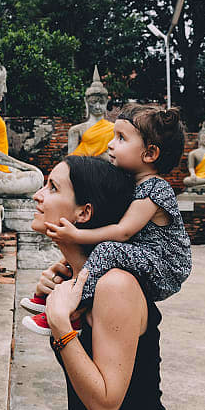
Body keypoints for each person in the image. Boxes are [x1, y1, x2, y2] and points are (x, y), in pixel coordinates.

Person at [28, 156, 195, 410]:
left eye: (53, 188)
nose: (39, 196)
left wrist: (60, 325)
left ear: (84, 213)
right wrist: (66, 312)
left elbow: (104, 404)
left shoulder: (116, 284)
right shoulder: (83, 284)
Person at [21, 105, 191, 326]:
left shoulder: (155, 189)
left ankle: (75, 307)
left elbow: (122, 232)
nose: (110, 144)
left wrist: (75, 235)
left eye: (121, 138)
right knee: (86, 255)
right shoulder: (130, 185)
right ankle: (51, 293)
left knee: (106, 249)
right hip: (142, 255)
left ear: (149, 153)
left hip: (164, 266)